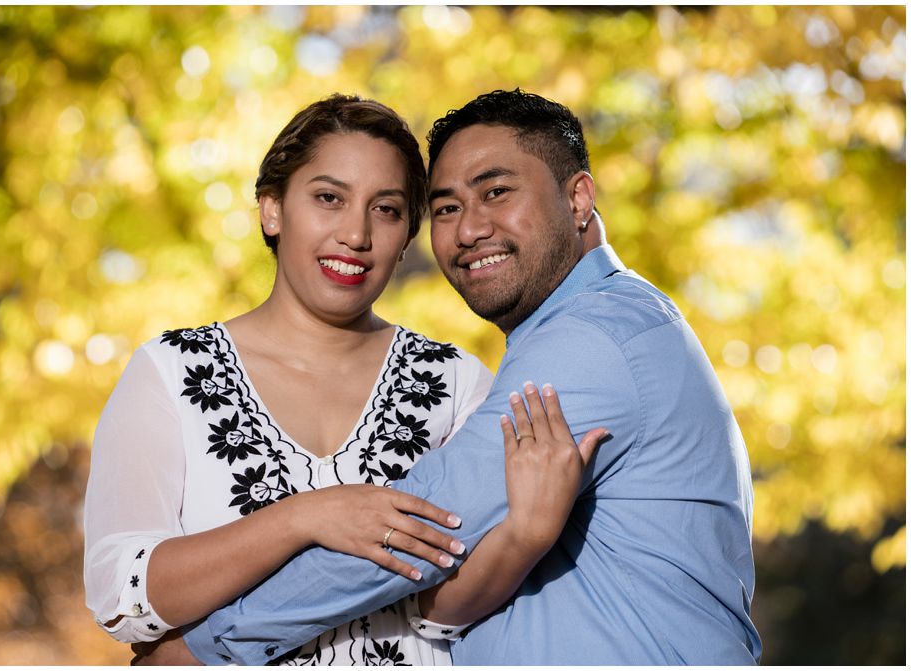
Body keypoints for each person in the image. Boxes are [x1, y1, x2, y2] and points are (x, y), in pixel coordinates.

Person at [158, 89, 762, 665]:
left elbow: (415, 529)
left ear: (578, 200)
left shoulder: (592, 340)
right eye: (447, 208)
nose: (469, 229)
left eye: (496, 191)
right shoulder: (602, 326)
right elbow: (444, 595)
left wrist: (207, 646)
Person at [84, 93, 604, 666]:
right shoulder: (172, 371)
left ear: (407, 234)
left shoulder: (455, 383)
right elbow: (122, 596)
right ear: (272, 209)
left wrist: (526, 535)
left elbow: (438, 610)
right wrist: (304, 517)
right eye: (329, 199)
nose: (355, 234)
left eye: (386, 209)